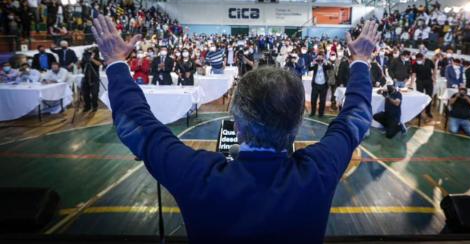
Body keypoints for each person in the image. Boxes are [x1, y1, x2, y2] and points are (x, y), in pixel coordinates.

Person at [91, 15, 378, 243]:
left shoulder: (198, 176)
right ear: (297, 126)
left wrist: (116, 62)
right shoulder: (318, 172)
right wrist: (362, 62)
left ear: (236, 126)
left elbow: (137, 125)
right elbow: (356, 117)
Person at [80, 47, 103, 112]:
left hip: (94, 77)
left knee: (94, 93)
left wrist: (92, 59)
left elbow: (99, 64)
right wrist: (81, 60)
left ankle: (95, 106)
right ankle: (87, 106)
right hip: (86, 77)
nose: (90, 53)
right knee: (85, 93)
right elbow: (80, 66)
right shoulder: (85, 58)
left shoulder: (97, 57)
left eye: (92, 52)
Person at [412, 53, 435, 117]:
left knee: (429, 96)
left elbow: (434, 69)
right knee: (420, 97)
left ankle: (428, 111)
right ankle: (418, 113)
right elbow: (413, 74)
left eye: (420, 59)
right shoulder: (415, 64)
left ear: (423, 58)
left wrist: (434, 78)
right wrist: (411, 84)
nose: (418, 60)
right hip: (419, 81)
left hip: (428, 80)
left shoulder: (429, 61)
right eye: (417, 59)